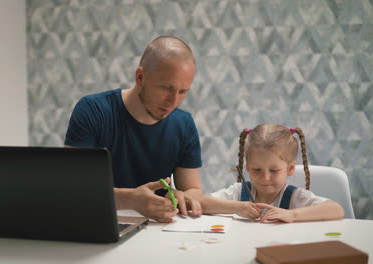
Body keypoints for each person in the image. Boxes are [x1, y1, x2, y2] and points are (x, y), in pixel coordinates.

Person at [64, 36, 203, 223]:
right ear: (140, 77)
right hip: (97, 224)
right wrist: (130, 199)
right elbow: (72, 188)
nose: (173, 102)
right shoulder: (93, 111)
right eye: (166, 88)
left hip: (157, 230)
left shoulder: (184, 124)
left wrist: (181, 195)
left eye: (182, 91)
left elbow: (192, 189)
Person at [199, 124, 345, 222]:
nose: (265, 177)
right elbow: (201, 203)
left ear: (290, 169)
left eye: (274, 170)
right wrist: (236, 208)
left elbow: (336, 210)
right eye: (257, 169)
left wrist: (292, 214)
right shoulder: (239, 192)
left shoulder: (295, 197)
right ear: (248, 167)